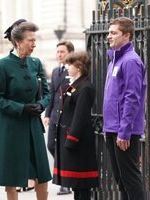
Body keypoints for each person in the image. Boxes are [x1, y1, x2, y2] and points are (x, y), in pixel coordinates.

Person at [0, 19, 52, 200]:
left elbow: (47, 93)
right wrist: (21, 108)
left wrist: (41, 105)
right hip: (11, 126)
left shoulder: (36, 63)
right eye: (30, 40)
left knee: (41, 170)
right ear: (18, 41)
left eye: (34, 40)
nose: (34, 44)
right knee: (11, 174)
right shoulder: (1, 66)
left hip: (33, 125)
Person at [103, 17, 146, 200]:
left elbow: (132, 97)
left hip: (124, 131)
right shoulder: (114, 59)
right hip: (112, 128)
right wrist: (108, 128)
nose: (108, 36)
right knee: (121, 179)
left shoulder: (131, 61)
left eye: (113, 33)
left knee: (131, 178)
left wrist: (124, 131)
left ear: (127, 35)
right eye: (109, 32)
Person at [52, 51, 99, 200]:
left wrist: (71, 139)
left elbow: (80, 117)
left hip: (78, 143)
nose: (67, 67)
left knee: (82, 185)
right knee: (76, 185)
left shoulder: (85, 87)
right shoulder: (76, 85)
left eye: (70, 64)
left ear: (78, 67)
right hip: (73, 142)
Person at [43, 40, 74, 195]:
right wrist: (47, 114)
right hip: (55, 116)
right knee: (51, 145)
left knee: (64, 149)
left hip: (67, 117)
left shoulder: (73, 71)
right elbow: (52, 93)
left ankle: (66, 182)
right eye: (58, 51)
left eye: (62, 51)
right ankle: (67, 169)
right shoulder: (55, 71)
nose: (59, 54)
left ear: (70, 53)